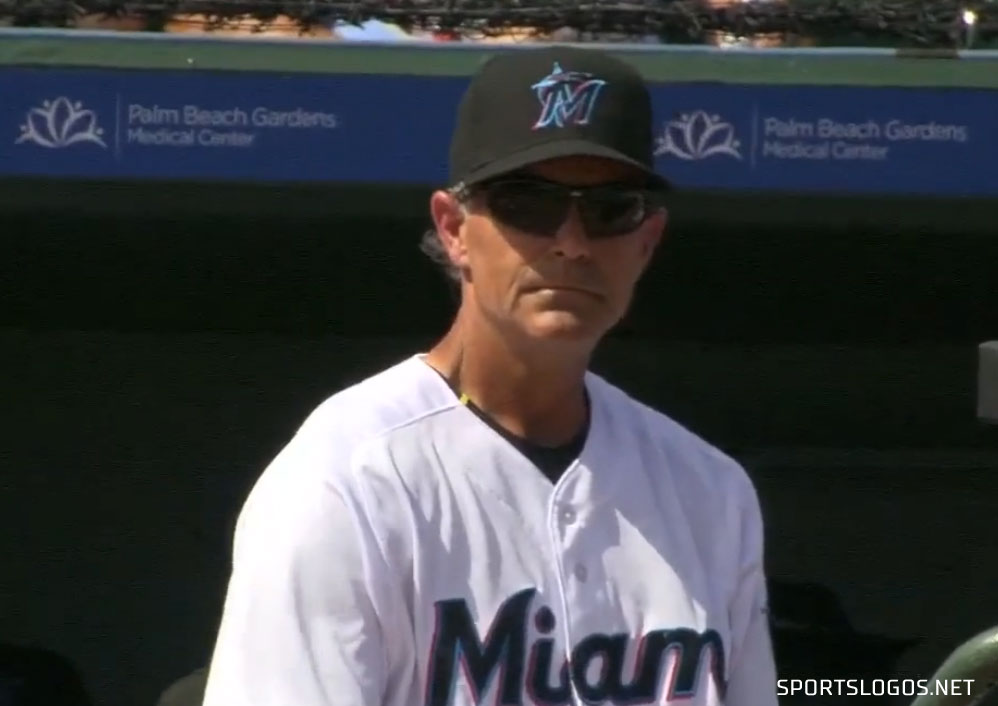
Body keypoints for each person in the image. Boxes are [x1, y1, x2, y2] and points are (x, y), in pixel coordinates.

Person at [201, 45, 779, 706]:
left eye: (610, 208)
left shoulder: (709, 490)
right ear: (453, 229)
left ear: (646, 241)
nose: (571, 242)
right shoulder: (347, 478)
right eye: (527, 203)